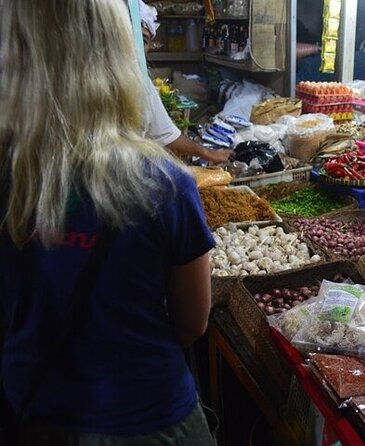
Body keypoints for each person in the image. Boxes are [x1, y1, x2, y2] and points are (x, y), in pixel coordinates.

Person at [0, 0, 214, 444]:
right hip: (150, 414)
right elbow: (192, 324)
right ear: (117, 52)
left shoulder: (10, 175)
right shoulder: (168, 183)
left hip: (34, 410)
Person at [140, 0, 233, 165]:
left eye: (144, 40)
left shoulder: (141, 82)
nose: (137, 45)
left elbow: (165, 132)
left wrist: (207, 153)